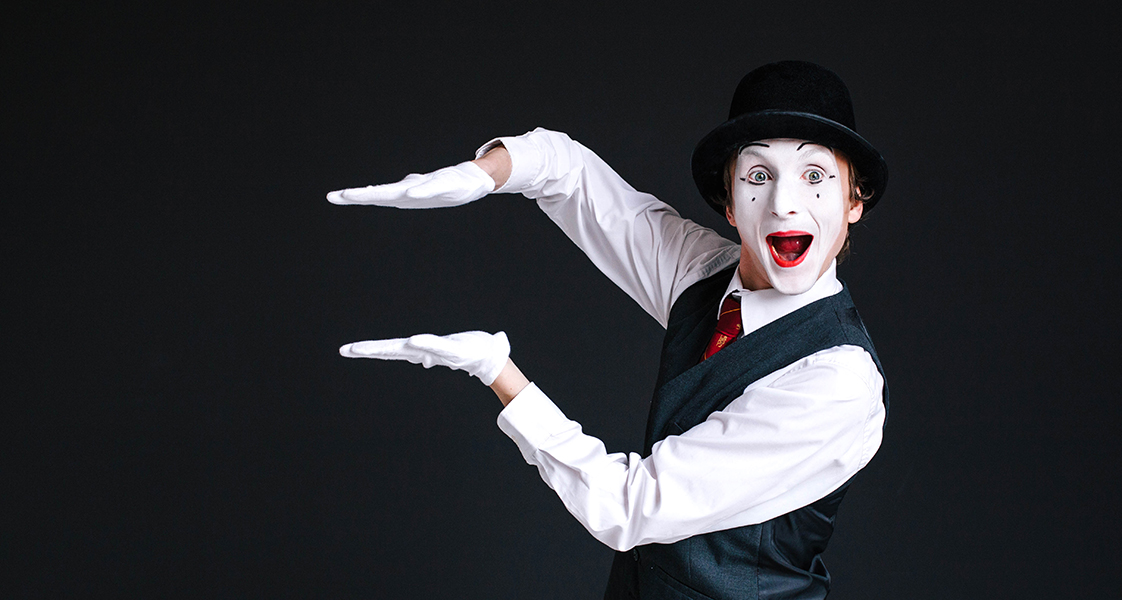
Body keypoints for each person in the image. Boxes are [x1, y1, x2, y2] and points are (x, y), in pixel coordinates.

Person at [328, 61, 889, 600]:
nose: (783, 204)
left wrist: (498, 373)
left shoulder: (837, 380)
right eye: (759, 176)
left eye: (815, 175)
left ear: (854, 199)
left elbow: (628, 507)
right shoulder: (706, 276)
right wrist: (488, 172)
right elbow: (574, 181)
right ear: (730, 203)